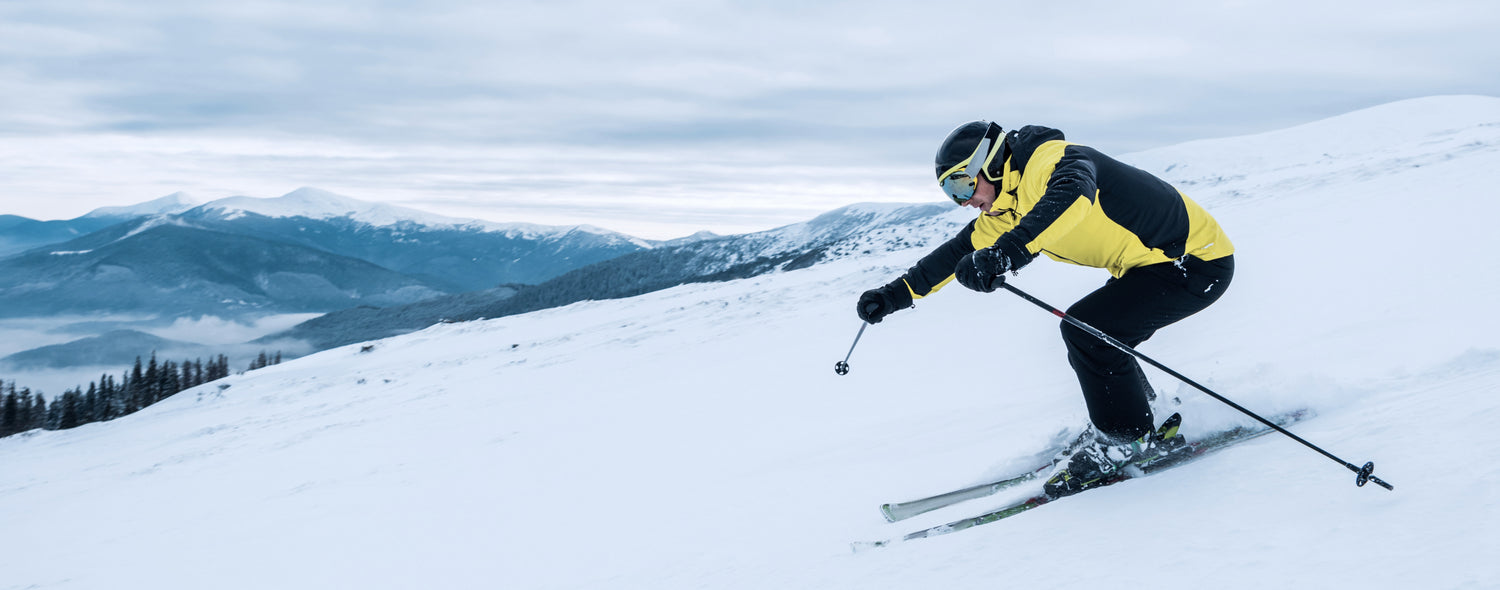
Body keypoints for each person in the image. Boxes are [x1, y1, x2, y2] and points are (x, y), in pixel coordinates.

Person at [856, 121, 1236, 497]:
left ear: (987, 165)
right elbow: (953, 255)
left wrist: (1008, 253)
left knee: (1086, 330)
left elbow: (1073, 193)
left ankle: (1127, 438)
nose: (963, 201)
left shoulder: (1049, 161)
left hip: (1194, 261)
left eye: (961, 184)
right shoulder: (1005, 210)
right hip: (1149, 266)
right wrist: (892, 296)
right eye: (950, 193)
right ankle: (1136, 415)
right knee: (1097, 332)